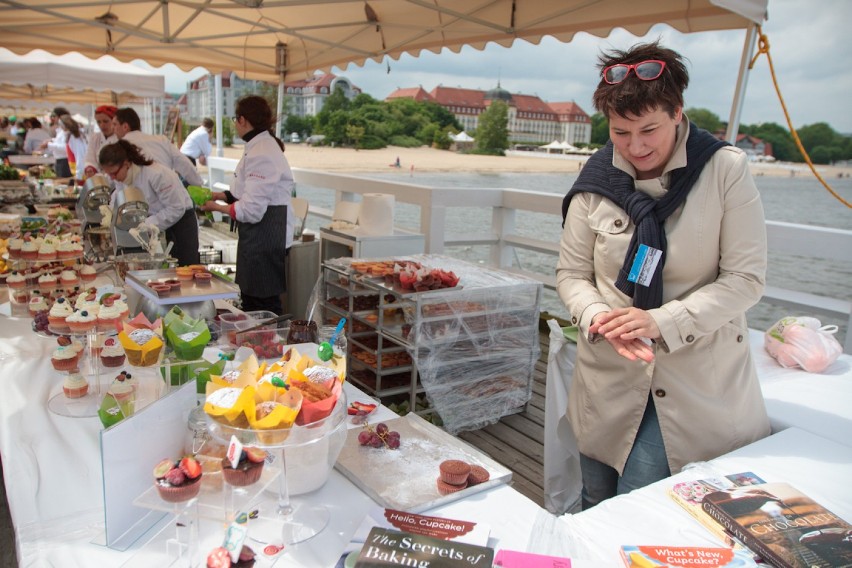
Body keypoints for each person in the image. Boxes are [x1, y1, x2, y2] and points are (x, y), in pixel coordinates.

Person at [556, 41, 769, 510]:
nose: (636, 147)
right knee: (595, 497)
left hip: (696, 381)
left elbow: (746, 279)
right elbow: (572, 275)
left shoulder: (725, 170)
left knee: (639, 506)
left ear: (678, 112)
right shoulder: (594, 180)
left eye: (649, 129)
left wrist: (661, 322)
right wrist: (595, 315)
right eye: (620, 132)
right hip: (608, 374)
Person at [200, 95, 295, 315]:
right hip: (258, 235)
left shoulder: (262, 152)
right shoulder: (258, 145)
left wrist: (215, 207)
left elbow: (251, 210)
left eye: (235, 119)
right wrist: (216, 195)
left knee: (263, 302)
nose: (235, 124)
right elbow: (240, 192)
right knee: (251, 296)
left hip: (267, 234)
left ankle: (271, 342)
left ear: (242, 120)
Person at [99, 140, 200, 266]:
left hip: (180, 224)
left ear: (126, 164)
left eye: (113, 173)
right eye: (109, 174)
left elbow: (177, 208)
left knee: (183, 270)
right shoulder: (122, 176)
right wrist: (110, 216)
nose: (112, 178)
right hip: (153, 222)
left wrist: (147, 224)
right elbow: (119, 197)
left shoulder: (156, 174)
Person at [112, 108, 204, 187]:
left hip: (144, 199)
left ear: (125, 126)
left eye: (115, 124)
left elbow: (118, 180)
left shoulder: (121, 147)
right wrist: (198, 185)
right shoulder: (161, 139)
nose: (113, 128)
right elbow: (184, 164)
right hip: (171, 189)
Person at [82, 105, 118, 178]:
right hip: (98, 180)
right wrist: (90, 168)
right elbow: (90, 158)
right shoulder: (95, 138)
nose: (102, 125)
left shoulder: (120, 138)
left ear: (114, 121)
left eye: (105, 121)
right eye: (99, 122)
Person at [40, 107, 72, 177]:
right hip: (60, 160)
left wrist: (49, 145)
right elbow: (60, 141)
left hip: (65, 161)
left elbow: (66, 147)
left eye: (54, 116)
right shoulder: (61, 129)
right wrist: (52, 140)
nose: (53, 118)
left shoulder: (68, 130)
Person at [60, 115, 88, 183]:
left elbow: (80, 155)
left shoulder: (74, 137)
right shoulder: (72, 136)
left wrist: (79, 175)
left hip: (81, 174)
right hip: (78, 171)